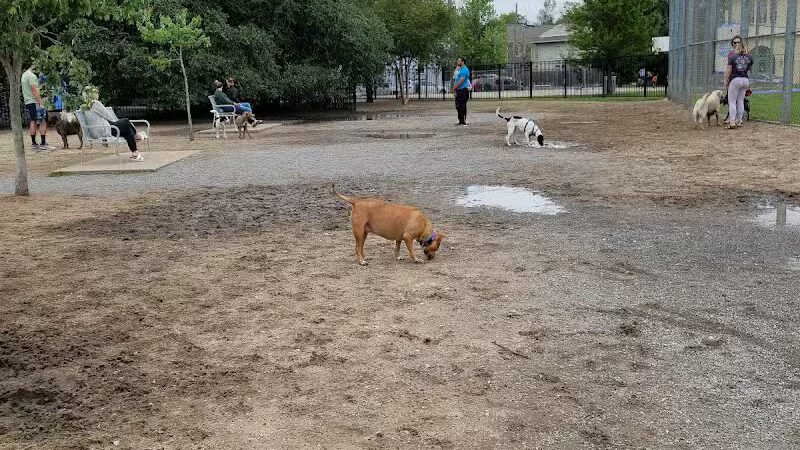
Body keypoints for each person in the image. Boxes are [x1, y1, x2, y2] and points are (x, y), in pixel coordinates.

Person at [83, 86, 145, 161]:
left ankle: (135, 153)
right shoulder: (96, 103)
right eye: (97, 93)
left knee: (127, 129)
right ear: (93, 94)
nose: (98, 95)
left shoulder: (85, 106)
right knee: (126, 121)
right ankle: (136, 135)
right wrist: (117, 122)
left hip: (96, 131)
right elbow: (109, 116)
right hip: (104, 131)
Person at [21, 63, 53, 150]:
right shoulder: (31, 76)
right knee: (42, 122)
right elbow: (34, 89)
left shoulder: (24, 74)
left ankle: (34, 143)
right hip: (35, 101)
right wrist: (41, 102)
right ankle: (43, 143)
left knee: (33, 121)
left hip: (28, 101)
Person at [724, 37, 753, 129]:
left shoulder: (732, 57)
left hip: (735, 79)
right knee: (740, 101)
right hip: (745, 80)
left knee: (732, 101)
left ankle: (732, 122)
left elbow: (728, 70)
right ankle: (739, 121)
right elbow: (750, 70)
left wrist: (726, 81)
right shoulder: (749, 57)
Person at [451, 57, 471, 126]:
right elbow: (454, 77)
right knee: (458, 106)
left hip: (462, 90)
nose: (457, 61)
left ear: (462, 62)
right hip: (458, 90)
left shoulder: (464, 70)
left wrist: (454, 88)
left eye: (458, 60)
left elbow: (461, 81)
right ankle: (460, 121)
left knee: (462, 106)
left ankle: (463, 121)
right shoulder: (460, 69)